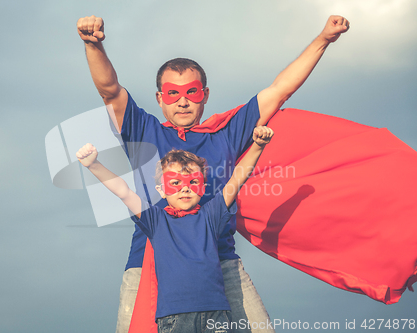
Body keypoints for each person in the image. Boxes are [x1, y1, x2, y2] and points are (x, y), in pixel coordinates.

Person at [76, 14, 349, 333]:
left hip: (221, 266)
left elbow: (279, 91)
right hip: (149, 264)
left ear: (204, 94)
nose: (182, 102)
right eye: (172, 94)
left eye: (191, 93)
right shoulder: (143, 131)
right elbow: (109, 91)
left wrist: (323, 39)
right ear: (159, 99)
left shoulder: (226, 134)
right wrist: (92, 45)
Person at [76, 125, 274, 333]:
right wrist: (94, 165)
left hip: (216, 314)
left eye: (193, 182)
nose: (185, 188)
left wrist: (258, 146)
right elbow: (123, 191)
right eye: (175, 182)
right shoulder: (155, 220)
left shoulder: (211, 216)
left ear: (203, 188)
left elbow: (237, 179)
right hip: (174, 318)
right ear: (161, 191)